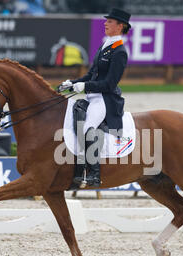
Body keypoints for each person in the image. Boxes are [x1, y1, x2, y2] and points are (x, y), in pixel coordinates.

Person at [60, 8, 131, 187]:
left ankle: (93, 173)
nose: (106, 23)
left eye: (110, 22)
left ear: (120, 26)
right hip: (93, 96)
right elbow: (91, 74)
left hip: (105, 100)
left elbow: (109, 84)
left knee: (87, 128)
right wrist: (72, 83)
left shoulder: (120, 52)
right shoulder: (105, 46)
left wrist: (84, 86)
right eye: (106, 21)